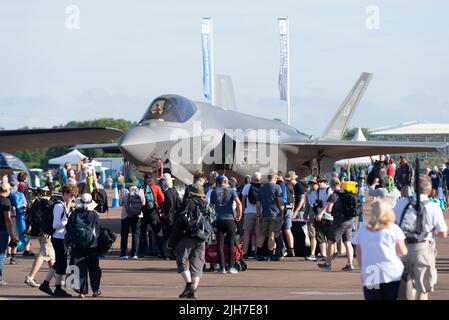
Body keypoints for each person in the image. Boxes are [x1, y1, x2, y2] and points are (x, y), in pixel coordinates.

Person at [394, 175, 448, 300]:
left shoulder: (401, 203)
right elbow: (443, 233)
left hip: (403, 248)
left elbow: (394, 224)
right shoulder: (433, 206)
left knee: (406, 286)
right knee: (422, 288)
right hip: (423, 248)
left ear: (413, 188)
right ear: (429, 190)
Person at [352, 200, 408, 300]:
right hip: (392, 272)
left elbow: (359, 255)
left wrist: (362, 270)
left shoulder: (362, 231)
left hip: (371, 272)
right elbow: (402, 251)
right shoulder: (394, 229)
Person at [171, 184, 208, 299]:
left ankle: (189, 285)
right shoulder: (206, 204)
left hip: (188, 236)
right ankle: (192, 292)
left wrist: (173, 240)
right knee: (197, 264)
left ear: (191, 193)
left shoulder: (188, 202)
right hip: (201, 238)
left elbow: (179, 220)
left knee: (181, 261)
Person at [39, 184, 77, 297]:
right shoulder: (59, 206)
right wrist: (67, 221)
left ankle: (46, 284)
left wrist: (69, 205)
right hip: (58, 238)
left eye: (73, 196)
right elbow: (55, 225)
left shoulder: (64, 205)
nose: (72, 198)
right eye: (71, 196)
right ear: (65, 194)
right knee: (61, 263)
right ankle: (56, 288)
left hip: (61, 237)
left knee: (59, 263)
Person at [66, 193, 102, 298]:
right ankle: (95, 290)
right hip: (92, 244)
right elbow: (98, 231)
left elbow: (68, 228)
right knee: (94, 268)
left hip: (77, 244)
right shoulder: (94, 215)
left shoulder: (74, 213)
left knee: (78, 267)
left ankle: (81, 292)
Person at [317, 178, 355, 271]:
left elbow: (329, 209)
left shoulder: (334, 195)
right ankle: (350, 264)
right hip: (350, 220)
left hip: (339, 221)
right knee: (347, 242)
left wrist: (331, 211)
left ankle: (328, 263)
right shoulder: (347, 192)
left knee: (331, 241)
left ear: (332, 185)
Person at [209, 176, 242, 274]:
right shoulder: (231, 190)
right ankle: (231, 266)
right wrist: (239, 215)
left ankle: (222, 267)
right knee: (231, 243)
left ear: (217, 183)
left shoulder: (213, 192)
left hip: (219, 219)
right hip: (230, 219)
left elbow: (211, 206)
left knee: (220, 243)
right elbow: (239, 203)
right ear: (226, 182)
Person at [256, 171, 284, 261]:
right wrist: (282, 211)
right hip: (275, 214)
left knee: (263, 234)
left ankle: (259, 253)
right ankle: (270, 254)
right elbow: (280, 201)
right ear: (275, 178)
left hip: (264, 214)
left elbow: (258, 203)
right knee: (272, 234)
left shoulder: (262, 188)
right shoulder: (277, 187)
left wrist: (258, 214)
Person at [139, 175, 165, 258]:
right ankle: (161, 252)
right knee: (158, 232)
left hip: (143, 213)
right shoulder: (156, 187)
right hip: (153, 212)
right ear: (152, 180)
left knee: (142, 233)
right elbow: (162, 199)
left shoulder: (141, 187)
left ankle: (142, 252)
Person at [0, 182, 20, 286]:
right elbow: (7, 220)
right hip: (2, 230)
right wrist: (12, 235)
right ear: (7, 190)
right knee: (1, 254)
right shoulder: (6, 202)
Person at [241, 172, 263, 259]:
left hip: (248, 212)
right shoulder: (262, 187)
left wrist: (242, 211)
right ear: (260, 178)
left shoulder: (247, 186)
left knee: (246, 233)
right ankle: (254, 251)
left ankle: (245, 252)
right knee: (256, 233)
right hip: (259, 213)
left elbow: (243, 199)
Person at [119, 185, 144, 259]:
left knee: (124, 235)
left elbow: (120, 203)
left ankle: (123, 254)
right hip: (137, 215)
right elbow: (143, 203)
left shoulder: (124, 191)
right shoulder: (140, 190)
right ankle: (134, 254)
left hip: (125, 215)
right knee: (136, 234)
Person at [160, 173, 181, 259]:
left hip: (169, 217)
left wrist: (165, 214)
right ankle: (173, 253)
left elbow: (169, 205)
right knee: (173, 235)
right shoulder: (174, 191)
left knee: (167, 235)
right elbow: (179, 203)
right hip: (175, 216)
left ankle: (166, 253)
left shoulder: (167, 192)